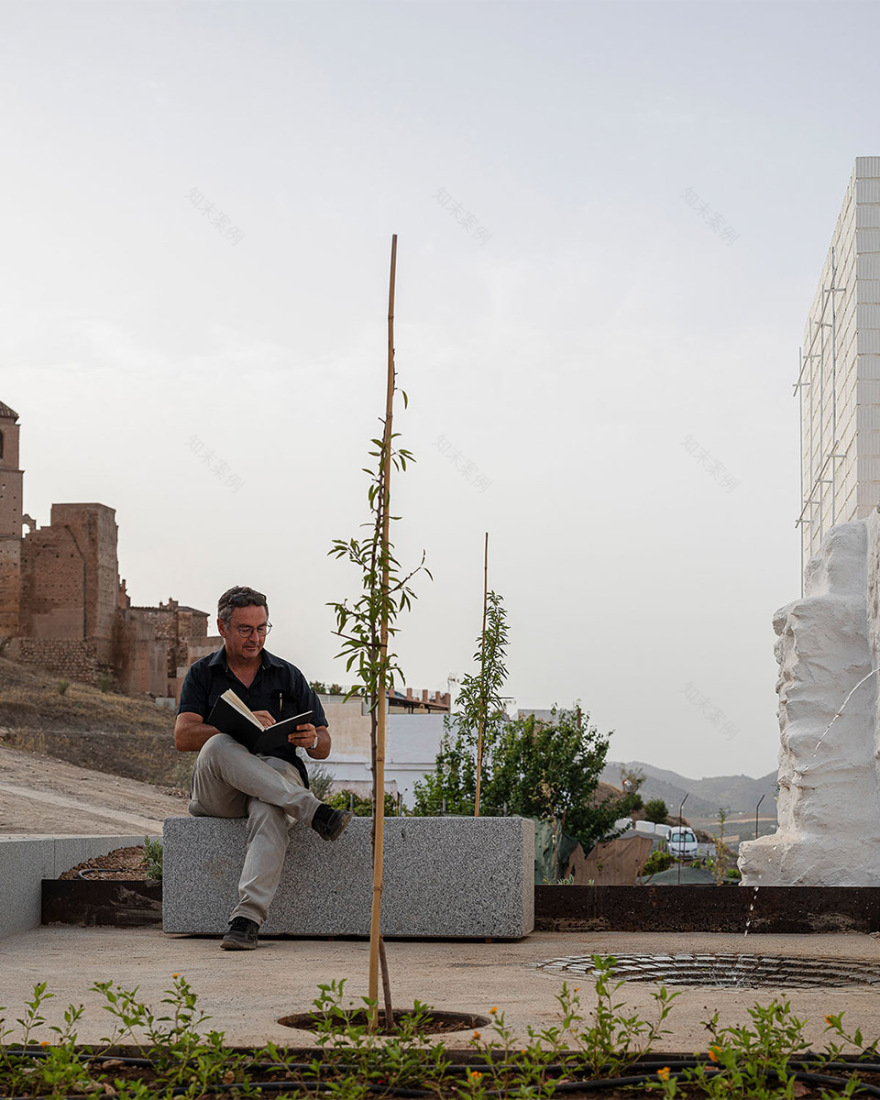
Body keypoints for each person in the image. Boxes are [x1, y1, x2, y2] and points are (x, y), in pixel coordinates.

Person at [174, 585, 351, 951]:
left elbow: (324, 745)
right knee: (220, 743)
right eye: (245, 629)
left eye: (262, 628)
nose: (255, 638)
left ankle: (246, 920)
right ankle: (312, 811)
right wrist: (236, 722)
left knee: (271, 806)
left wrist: (311, 740)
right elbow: (183, 736)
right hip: (220, 790)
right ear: (223, 628)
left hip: (274, 781)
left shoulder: (288, 676)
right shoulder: (202, 674)